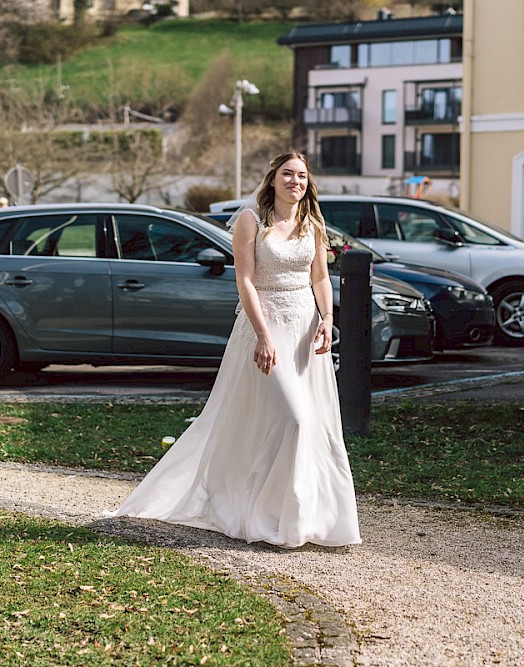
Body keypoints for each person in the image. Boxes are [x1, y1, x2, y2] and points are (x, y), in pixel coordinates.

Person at [107, 152, 361, 548]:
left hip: (305, 329)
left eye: (301, 176)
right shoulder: (251, 221)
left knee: (309, 424)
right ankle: (255, 511)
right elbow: (244, 282)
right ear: (273, 179)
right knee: (292, 420)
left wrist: (327, 319)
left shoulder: (313, 224)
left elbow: (321, 278)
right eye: (287, 174)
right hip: (267, 325)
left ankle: (296, 511)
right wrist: (263, 335)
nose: (295, 181)